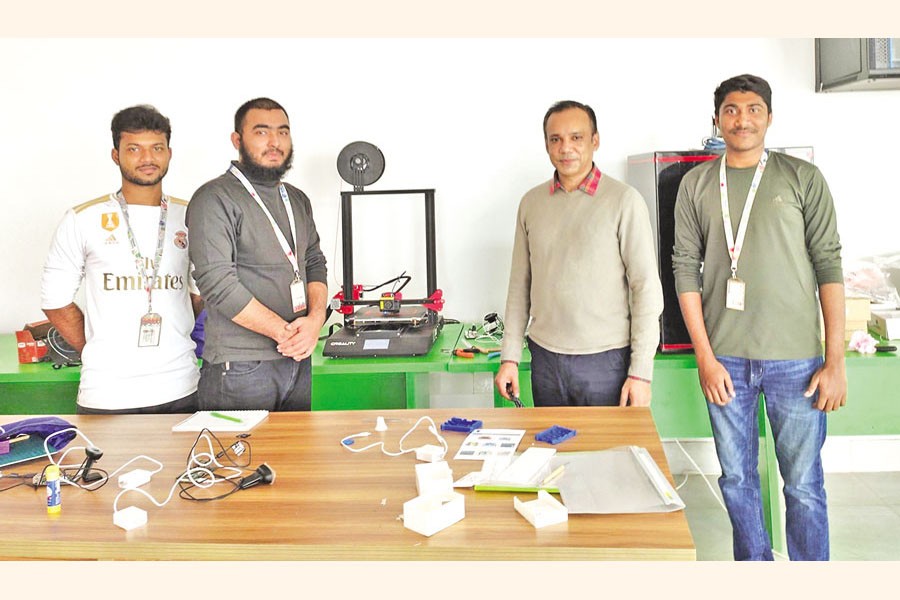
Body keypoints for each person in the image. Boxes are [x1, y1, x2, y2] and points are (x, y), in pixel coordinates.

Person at [673, 74, 846, 561]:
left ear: (769, 117)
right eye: (731, 110)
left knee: (804, 484)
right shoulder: (696, 183)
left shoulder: (801, 177)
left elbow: (829, 264)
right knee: (737, 480)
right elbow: (684, 269)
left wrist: (835, 362)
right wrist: (706, 360)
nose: (742, 119)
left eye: (753, 109)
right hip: (725, 360)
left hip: (798, 362)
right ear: (716, 120)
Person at [495, 100, 663, 407]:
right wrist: (510, 357)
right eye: (555, 139)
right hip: (545, 359)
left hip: (605, 361)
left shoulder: (624, 201)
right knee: (554, 453)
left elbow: (647, 289)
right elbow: (519, 286)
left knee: (607, 454)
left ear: (595, 141)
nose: (565, 148)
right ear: (546, 145)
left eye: (576, 137)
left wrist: (640, 373)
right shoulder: (531, 203)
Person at [41, 105, 202, 414]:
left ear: (169, 153)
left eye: (157, 148)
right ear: (116, 155)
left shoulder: (190, 215)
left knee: (188, 465)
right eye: (134, 149)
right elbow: (55, 301)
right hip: (107, 393)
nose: (147, 159)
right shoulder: (83, 219)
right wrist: (97, 351)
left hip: (182, 387)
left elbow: (199, 292)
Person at [187, 97, 327, 412]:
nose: (274, 142)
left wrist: (315, 321)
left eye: (283, 132)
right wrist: (285, 333)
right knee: (239, 461)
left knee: (294, 458)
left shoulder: (296, 199)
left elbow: (314, 264)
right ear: (238, 140)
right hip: (240, 367)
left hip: (297, 360)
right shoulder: (214, 198)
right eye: (261, 132)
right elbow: (217, 282)